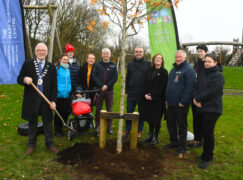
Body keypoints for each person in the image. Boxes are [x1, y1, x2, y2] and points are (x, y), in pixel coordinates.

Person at [17, 43, 59, 155]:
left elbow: (54, 85)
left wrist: (53, 100)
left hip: (46, 100)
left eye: (43, 50)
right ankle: (31, 144)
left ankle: (49, 144)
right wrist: (25, 79)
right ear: (35, 52)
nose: (41, 52)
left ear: (46, 52)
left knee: (48, 122)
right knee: (32, 122)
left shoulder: (51, 67)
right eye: (39, 50)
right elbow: (19, 78)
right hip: (32, 100)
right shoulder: (28, 64)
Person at [193, 53, 224, 169]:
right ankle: (205, 154)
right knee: (204, 132)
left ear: (215, 63)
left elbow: (213, 91)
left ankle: (207, 157)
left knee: (208, 133)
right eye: (205, 61)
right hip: (201, 107)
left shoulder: (218, 76)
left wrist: (198, 99)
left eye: (209, 61)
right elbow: (196, 87)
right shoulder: (202, 73)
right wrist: (196, 99)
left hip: (212, 109)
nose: (206, 63)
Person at [164, 50, 196, 156]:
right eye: (176, 56)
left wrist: (183, 101)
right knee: (170, 124)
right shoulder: (173, 70)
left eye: (180, 57)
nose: (178, 58)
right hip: (171, 103)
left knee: (181, 126)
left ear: (185, 58)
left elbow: (190, 87)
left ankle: (182, 147)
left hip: (181, 104)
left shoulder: (188, 70)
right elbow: (169, 85)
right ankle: (174, 142)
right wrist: (166, 97)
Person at [123, 47, 151, 139]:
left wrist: (149, 91)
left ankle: (139, 130)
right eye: (136, 52)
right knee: (129, 111)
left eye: (140, 52)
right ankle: (127, 129)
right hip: (131, 92)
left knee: (141, 112)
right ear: (134, 53)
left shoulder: (148, 64)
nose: (138, 53)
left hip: (143, 93)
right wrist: (126, 91)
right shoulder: (130, 64)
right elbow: (127, 78)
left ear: (143, 53)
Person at [142, 53, 168, 145]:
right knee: (150, 118)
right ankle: (150, 135)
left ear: (162, 60)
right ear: (153, 60)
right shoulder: (149, 71)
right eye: (157, 58)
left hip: (158, 99)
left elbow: (162, 87)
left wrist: (152, 96)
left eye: (160, 58)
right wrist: (146, 94)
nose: (158, 60)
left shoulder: (164, 72)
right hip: (148, 98)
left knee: (156, 119)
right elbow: (145, 83)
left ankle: (155, 137)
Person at [92, 48, 118, 136]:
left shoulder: (113, 65)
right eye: (104, 53)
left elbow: (115, 77)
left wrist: (107, 86)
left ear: (110, 55)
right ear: (102, 55)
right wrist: (101, 85)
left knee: (109, 109)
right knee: (98, 109)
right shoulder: (97, 65)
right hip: (99, 90)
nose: (106, 55)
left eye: (107, 53)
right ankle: (98, 126)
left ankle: (109, 127)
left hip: (109, 91)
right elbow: (94, 76)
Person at [188, 45, 208, 148]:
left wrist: (200, 98)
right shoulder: (196, 63)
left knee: (202, 119)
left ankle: (201, 140)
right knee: (195, 118)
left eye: (201, 51)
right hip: (194, 95)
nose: (199, 53)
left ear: (206, 52)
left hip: (202, 97)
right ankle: (196, 138)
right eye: (198, 51)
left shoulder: (208, 63)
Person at [54, 54, 72, 138]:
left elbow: (68, 81)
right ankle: (57, 130)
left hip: (67, 94)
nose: (65, 61)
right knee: (59, 113)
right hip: (59, 95)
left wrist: (70, 89)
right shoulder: (56, 68)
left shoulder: (67, 69)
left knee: (66, 112)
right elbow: (53, 81)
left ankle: (62, 125)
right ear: (60, 59)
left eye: (67, 59)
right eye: (64, 59)